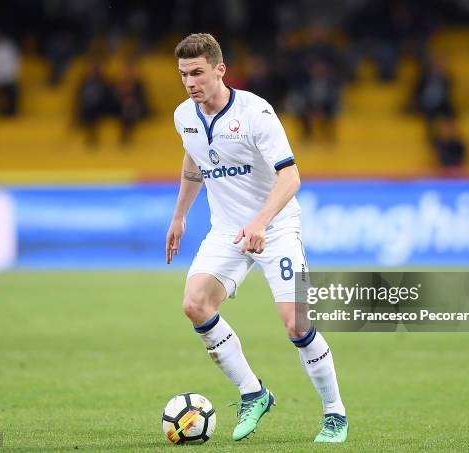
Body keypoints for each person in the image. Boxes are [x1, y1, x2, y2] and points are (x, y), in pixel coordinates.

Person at [166, 33, 348, 443]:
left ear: (219, 70)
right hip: (227, 231)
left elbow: (291, 176)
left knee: (296, 325)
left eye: (197, 73)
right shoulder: (184, 116)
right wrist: (179, 216)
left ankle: (334, 413)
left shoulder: (256, 113)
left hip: (277, 227)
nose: (190, 82)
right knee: (194, 304)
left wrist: (262, 222)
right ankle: (254, 392)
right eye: (183, 75)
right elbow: (193, 159)